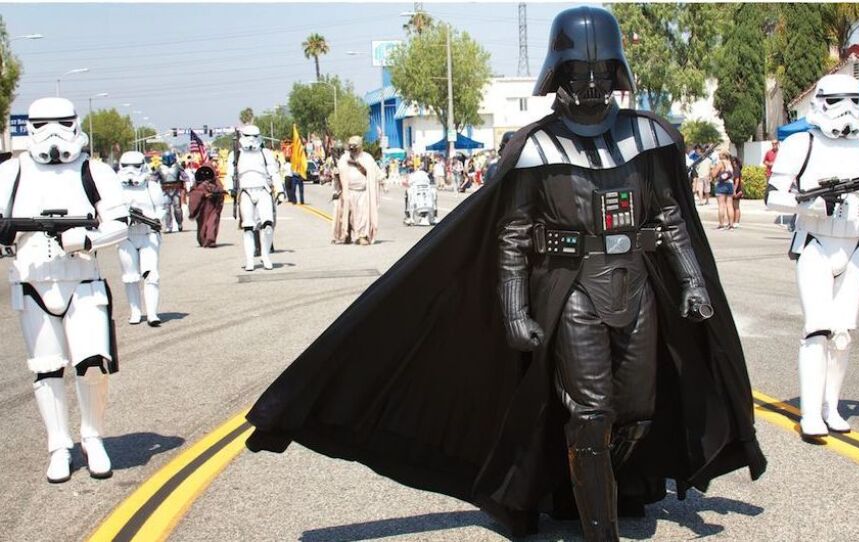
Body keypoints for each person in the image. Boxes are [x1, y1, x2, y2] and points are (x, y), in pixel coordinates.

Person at [245, 7, 765, 542]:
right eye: (580, 73)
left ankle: (577, 485)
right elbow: (512, 235)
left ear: (617, 73)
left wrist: (693, 283)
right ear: (558, 74)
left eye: (601, 72)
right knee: (590, 415)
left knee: (636, 411)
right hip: (572, 293)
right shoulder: (535, 147)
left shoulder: (648, 138)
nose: (591, 84)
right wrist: (516, 309)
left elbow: (671, 217)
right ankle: (599, 530)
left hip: (637, 288)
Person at [0, 97, 129, 482]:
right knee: (47, 369)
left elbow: (120, 222)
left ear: (75, 124)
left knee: (92, 364)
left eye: (62, 123)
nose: (54, 132)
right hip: (34, 282)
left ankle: (92, 437)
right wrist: (12, 236)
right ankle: (59, 444)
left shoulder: (94, 170)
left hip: (83, 281)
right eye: (44, 124)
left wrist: (86, 239)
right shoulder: (10, 172)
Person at [766, 74, 859, 441]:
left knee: (843, 333)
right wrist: (813, 203)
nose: (846, 108)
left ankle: (832, 406)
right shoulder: (802, 143)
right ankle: (811, 411)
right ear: (820, 103)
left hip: (854, 245)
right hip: (816, 242)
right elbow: (774, 196)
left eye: (853, 99)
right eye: (836, 100)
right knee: (817, 329)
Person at [117, 151, 165, 326]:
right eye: (126, 166)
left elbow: (161, 209)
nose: (131, 171)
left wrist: (151, 218)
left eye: (135, 166)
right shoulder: (115, 188)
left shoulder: (151, 187)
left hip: (148, 233)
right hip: (125, 235)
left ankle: (152, 313)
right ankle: (135, 312)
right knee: (130, 276)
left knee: (152, 274)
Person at [227, 125, 281, 271]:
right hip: (245, 191)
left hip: (263, 190)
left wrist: (280, 191)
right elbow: (230, 174)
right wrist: (230, 188)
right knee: (248, 227)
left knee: (268, 225)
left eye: (255, 136)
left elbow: (274, 172)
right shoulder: (236, 154)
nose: (252, 139)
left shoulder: (265, 153)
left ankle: (265, 255)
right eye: (248, 136)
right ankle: (250, 259)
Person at [333, 136, 384, 245]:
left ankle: (362, 236)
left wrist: (358, 164)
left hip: (362, 192)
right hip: (348, 192)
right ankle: (345, 234)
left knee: (362, 216)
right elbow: (339, 172)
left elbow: (376, 173)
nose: (352, 148)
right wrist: (336, 175)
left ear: (360, 146)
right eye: (350, 146)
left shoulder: (367, 158)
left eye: (355, 146)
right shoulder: (344, 158)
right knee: (345, 215)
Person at [187, 164, 225, 247]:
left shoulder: (216, 182)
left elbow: (221, 191)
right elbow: (194, 196)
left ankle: (210, 240)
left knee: (212, 222)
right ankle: (203, 239)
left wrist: (215, 194)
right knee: (202, 224)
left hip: (213, 206)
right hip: (202, 207)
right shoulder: (197, 184)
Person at [157, 151, 187, 233]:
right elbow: (154, 177)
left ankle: (179, 223)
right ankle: (168, 226)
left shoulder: (177, 166)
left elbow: (185, 176)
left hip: (176, 190)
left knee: (177, 209)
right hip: (165, 191)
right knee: (166, 210)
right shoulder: (160, 167)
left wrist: (183, 181)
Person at [711, 151, 736, 229]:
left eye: (719, 154)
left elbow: (714, 174)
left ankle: (721, 224)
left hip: (721, 184)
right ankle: (731, 224)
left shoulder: (721, 163)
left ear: (723, 155)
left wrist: (713, 169)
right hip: (730, 184)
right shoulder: (730, 163)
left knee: (721, 205)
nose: (718, 155)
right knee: (730, 205)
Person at [731, 155, 744, 228]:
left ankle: (736, 221)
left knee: (736, 206)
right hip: (735, 189)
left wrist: (734, 190)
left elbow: (737, 180)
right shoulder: (735, 169)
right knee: (733, 206)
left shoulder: (736, 169)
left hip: (736, 190)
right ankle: (734, 221)